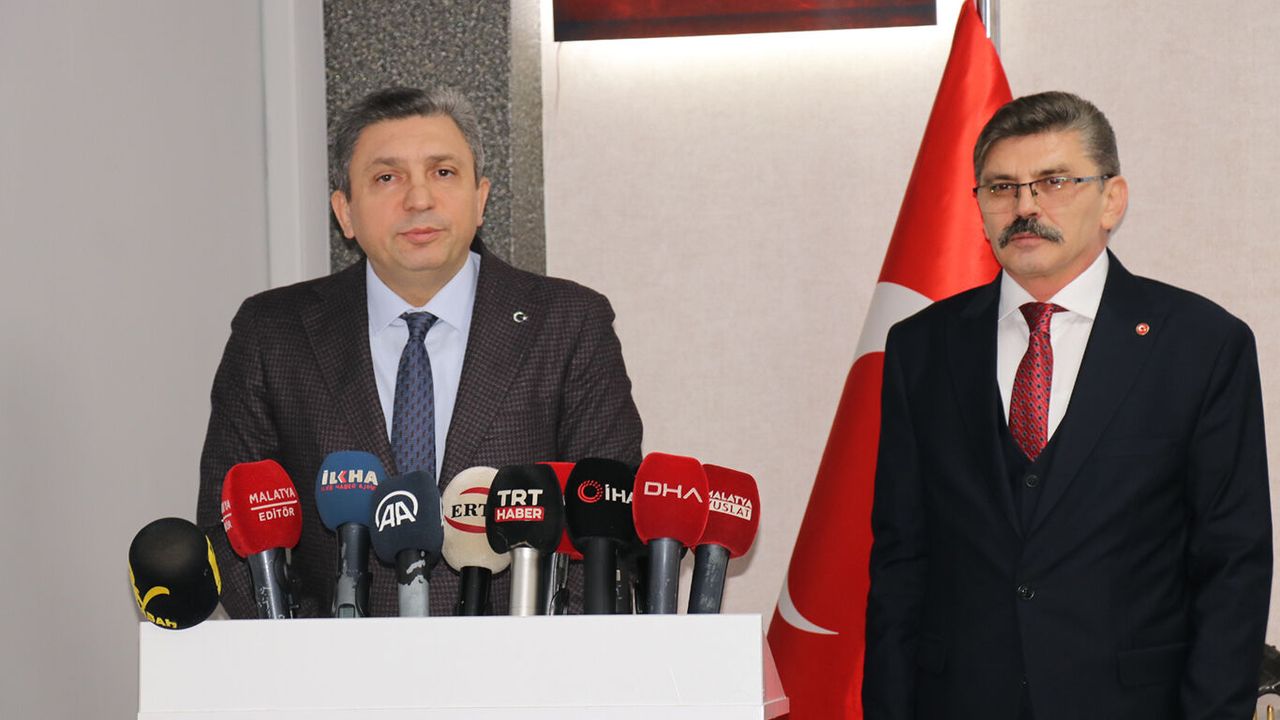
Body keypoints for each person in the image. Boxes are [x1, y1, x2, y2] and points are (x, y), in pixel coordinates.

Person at [863, 91, 1271, 719]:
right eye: (1001, 188)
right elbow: (900, 560)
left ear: (1112, 199)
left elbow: (1232, 564)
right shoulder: (921, 347)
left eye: (1053, 182)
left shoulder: (1201, 344)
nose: (1025, 207)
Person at [196, 86, 642, 618]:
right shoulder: (273, 333)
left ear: (480, 199)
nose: (419, 200)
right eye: (387, 178)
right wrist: (316, 655)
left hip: (526, 662)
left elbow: (611, 525)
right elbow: (231, 529)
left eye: (443, 172)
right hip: (332, 664)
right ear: (345, 212)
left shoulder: (569, 323)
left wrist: (536, 657)